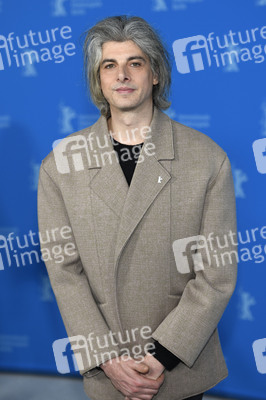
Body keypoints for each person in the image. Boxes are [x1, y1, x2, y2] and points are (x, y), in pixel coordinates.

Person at [37, 15, 238, 400]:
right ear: (98, 80)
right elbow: (64, 272)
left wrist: (160, 355)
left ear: (156, 74)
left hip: (178, 368)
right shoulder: (59, 166)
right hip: (109, 371)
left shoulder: (207, 159)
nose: (122, 75)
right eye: (109, 65)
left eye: (136, 62)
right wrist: (109, 359)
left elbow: (216, 275)